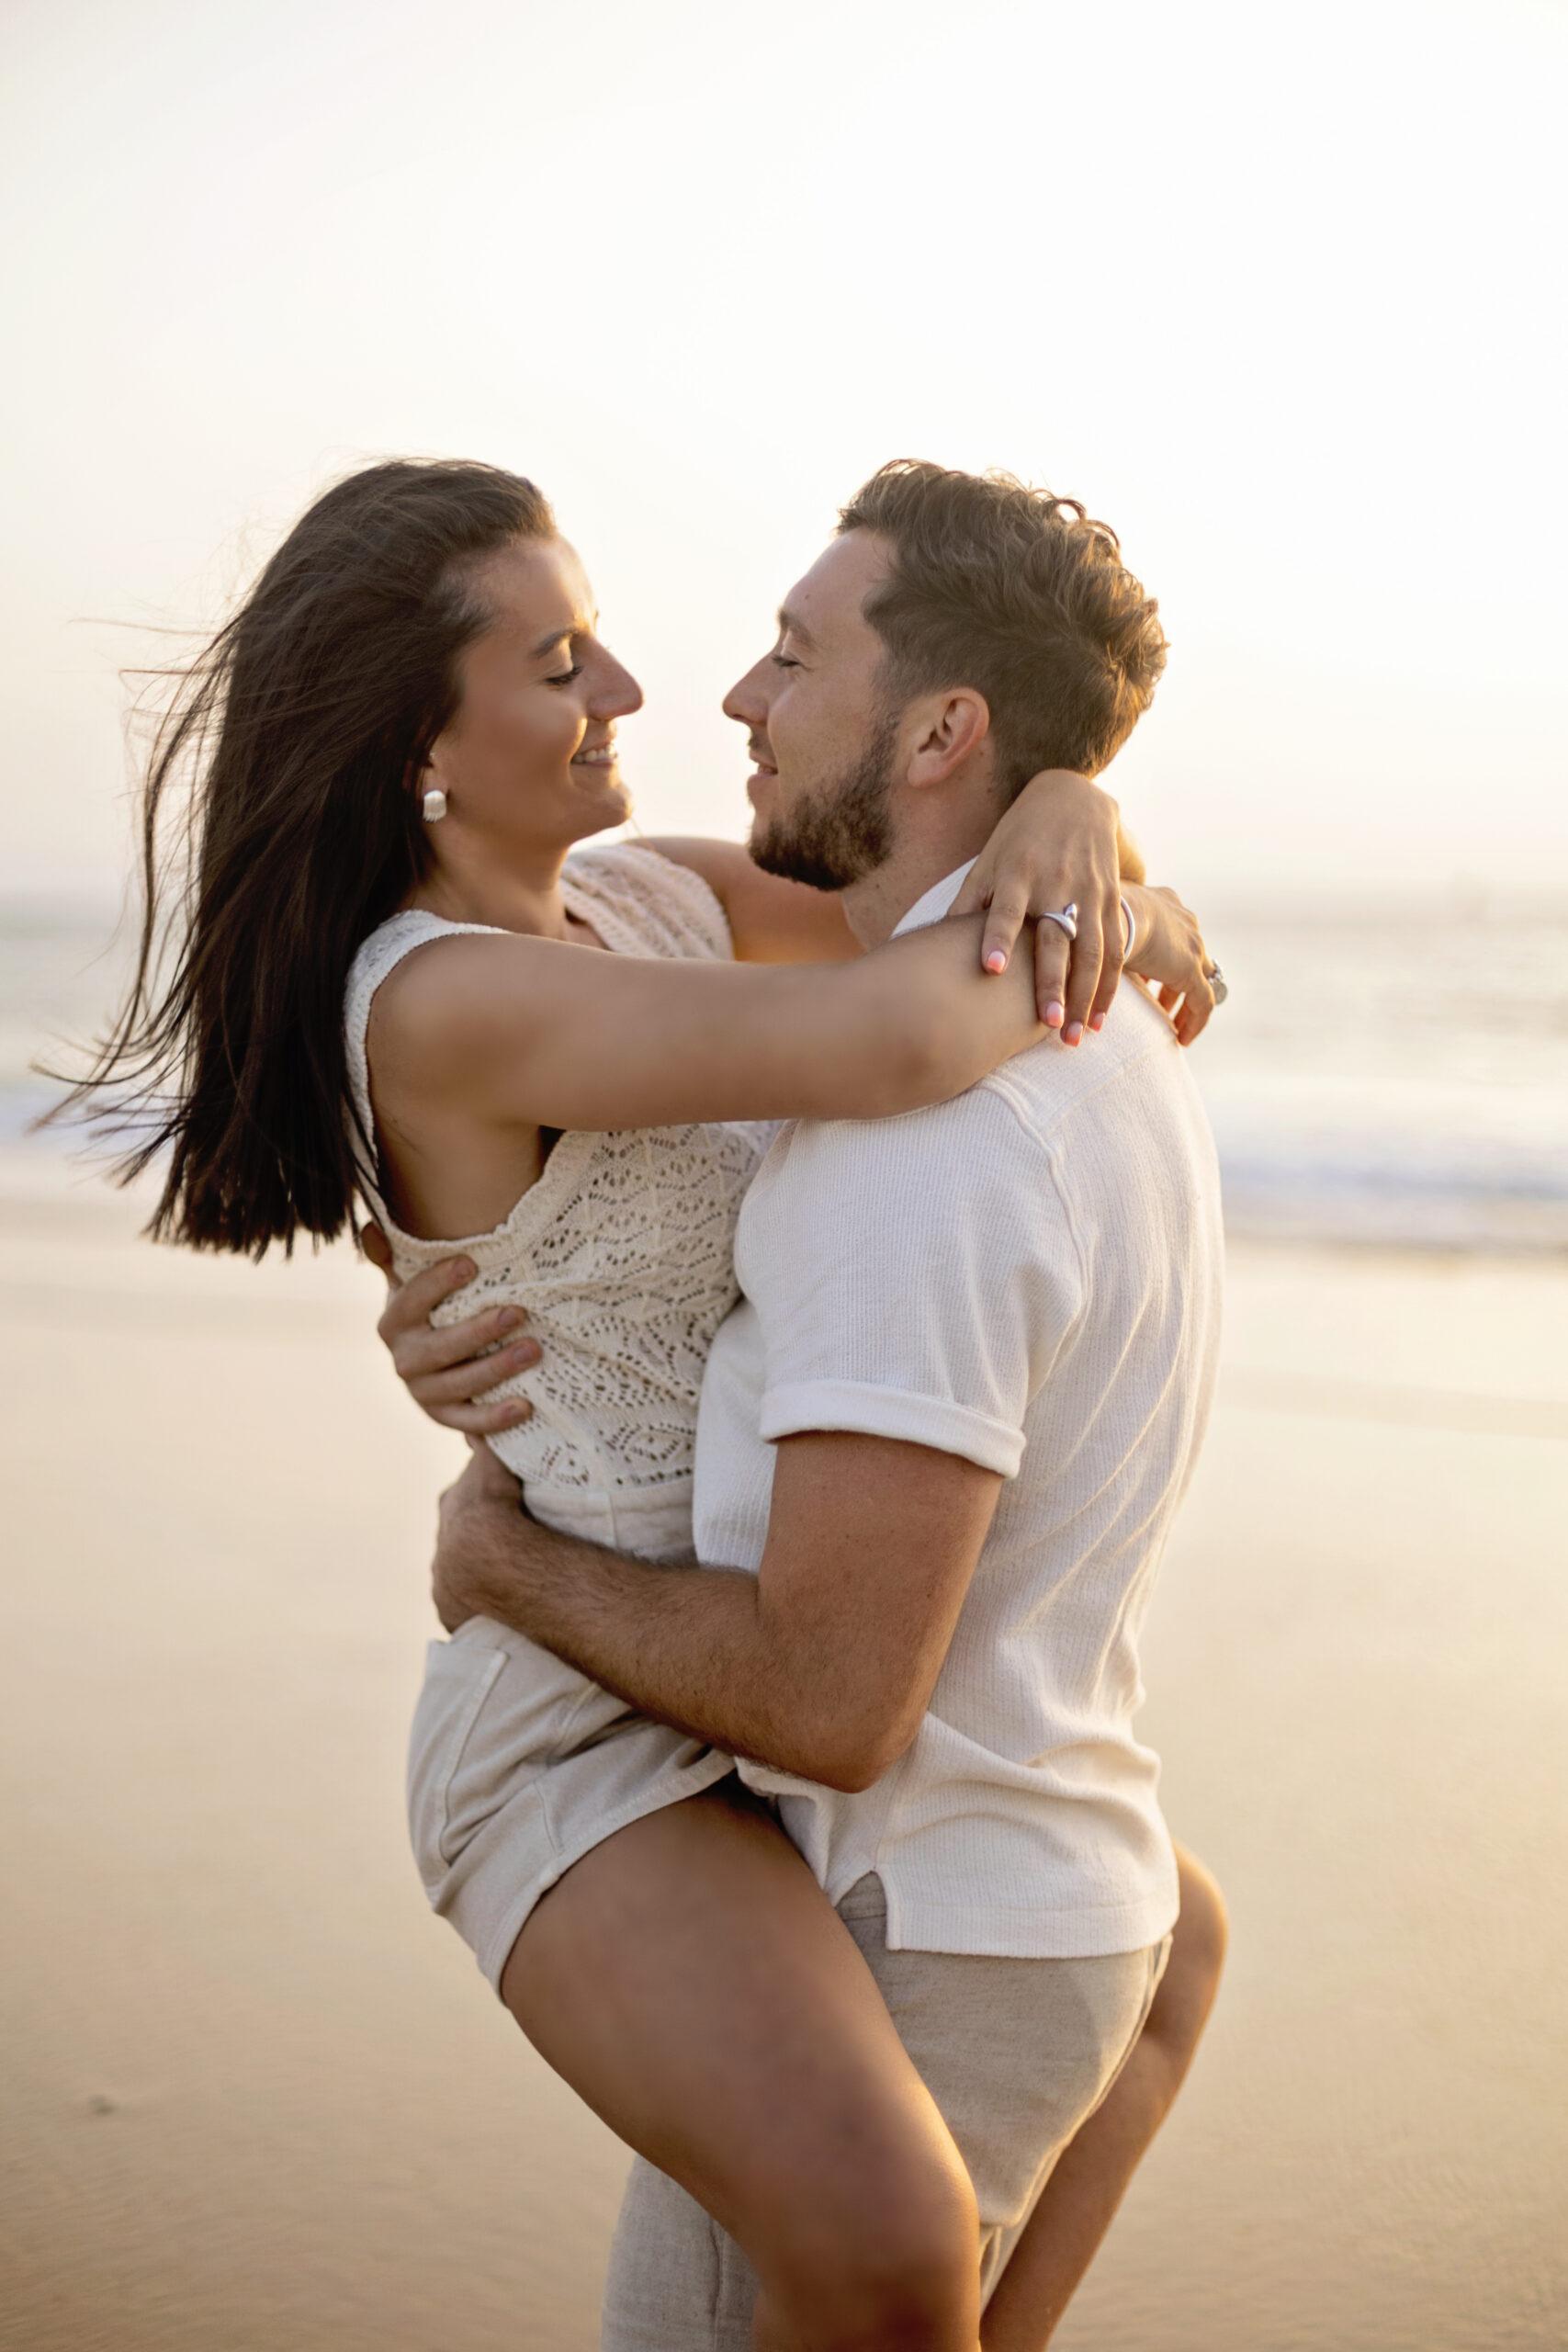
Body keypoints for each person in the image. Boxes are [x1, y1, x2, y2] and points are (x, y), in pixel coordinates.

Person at [55, 455, 1223, 2352]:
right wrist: (1112, 903)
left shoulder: (648, 899)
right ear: (418, 750)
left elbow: (911, 888)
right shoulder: (437, 998)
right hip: (592, 1715)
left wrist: (1070, 802)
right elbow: (903, 1025)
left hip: (748, 1627)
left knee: (1168, 1952)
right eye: (559, 664)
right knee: (886, 2232)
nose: (630, 692)